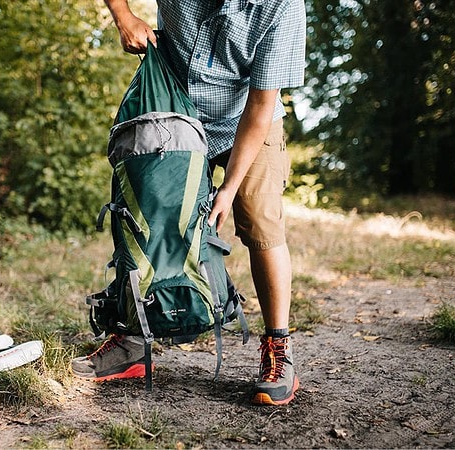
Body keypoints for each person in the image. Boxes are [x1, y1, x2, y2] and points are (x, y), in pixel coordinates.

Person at [72, 0, 306, 406]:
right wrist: (123, 16)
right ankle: (131, 341)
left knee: (260, 224)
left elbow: (261, 102)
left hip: (245, 121)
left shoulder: (281, 6)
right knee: (146, 215)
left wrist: (228, 190)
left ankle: (278, 350)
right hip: (174, 113)